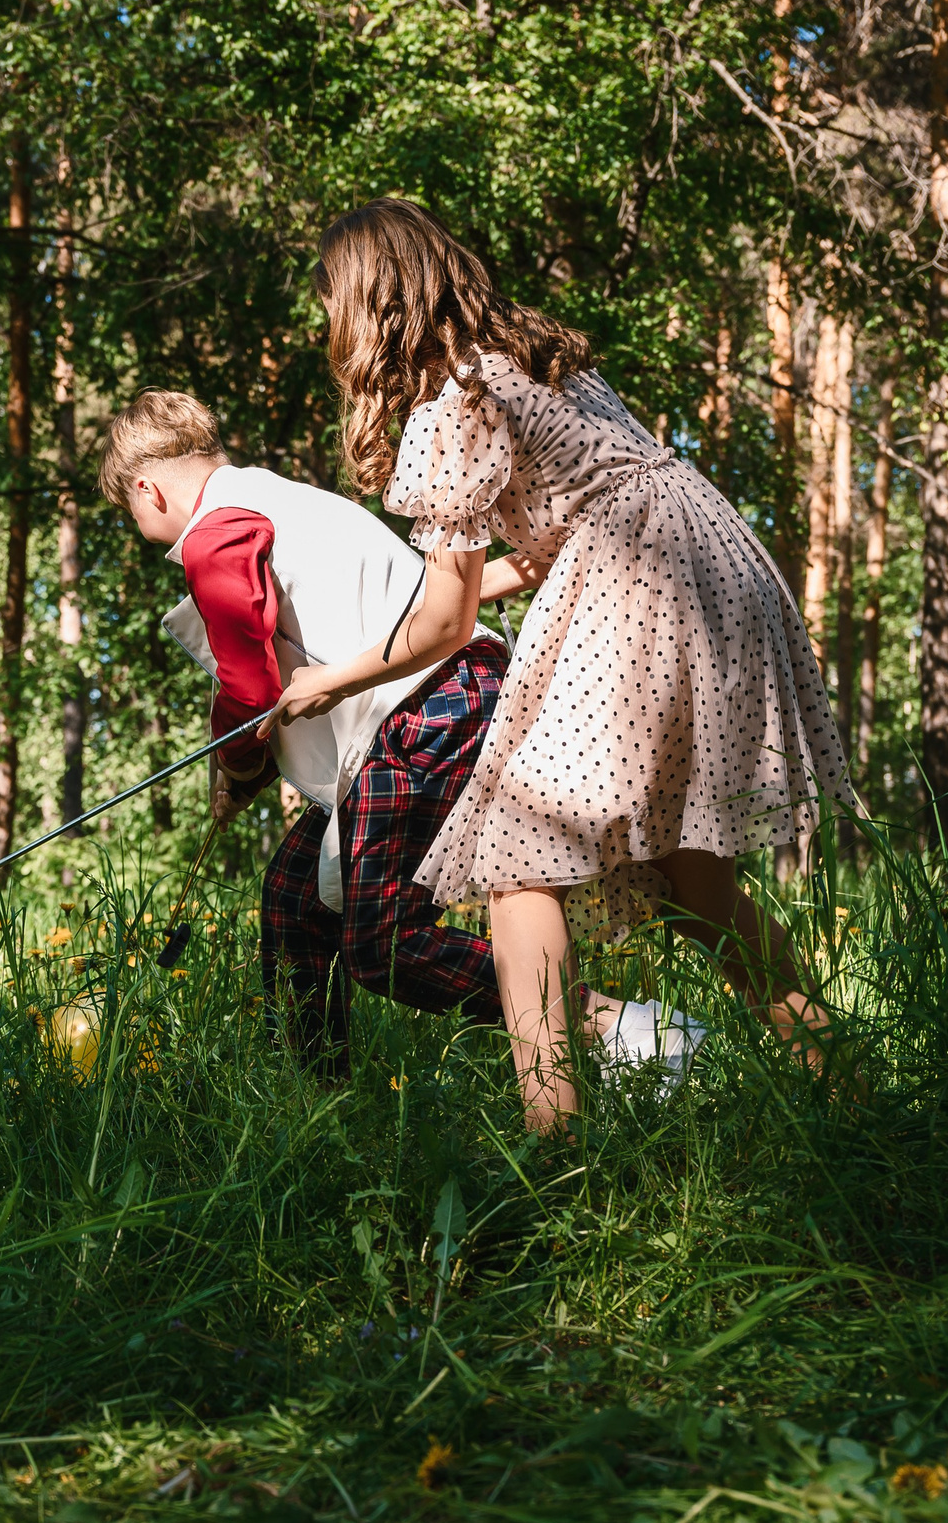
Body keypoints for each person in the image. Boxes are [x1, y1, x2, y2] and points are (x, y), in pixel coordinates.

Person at [264, 199, 855, 1131]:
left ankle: (557, 1139)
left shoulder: (454, 401)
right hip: (716, 565)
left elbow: (443, 623)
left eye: (334, 301)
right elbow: (540, 543)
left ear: (370, 303)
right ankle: (844, 1080)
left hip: (636, 583)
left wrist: (331, 680)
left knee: (516, 857)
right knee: (691, 874)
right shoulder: (538, 367)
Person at [100, 389, 520, 1077]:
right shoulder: (274, 498)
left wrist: (235, 772)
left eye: (130, 513)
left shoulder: (213, 535)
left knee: (384, 943)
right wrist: (252, 767)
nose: (139, 525)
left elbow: (250, 692)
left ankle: (616, 1027)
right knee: (295, 898)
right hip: (441, 696)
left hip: (425, 706)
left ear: (146, 490)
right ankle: (316, 1100)